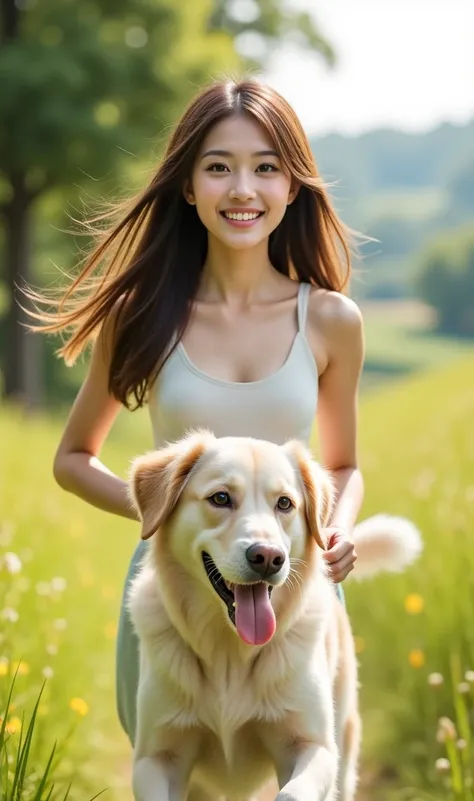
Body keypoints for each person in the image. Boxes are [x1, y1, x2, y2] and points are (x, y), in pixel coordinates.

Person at [29, 78, 364, 751]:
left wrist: (334, 532)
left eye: (265, 168)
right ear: (187, 186)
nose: (243, 190)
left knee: (303, 771)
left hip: (292, 587)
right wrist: (172, 515)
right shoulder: (141, 317)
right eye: (219, 167)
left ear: (292, 186)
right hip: (175, 584)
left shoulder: (330, 320)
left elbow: (343, 464)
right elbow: (71, 459)